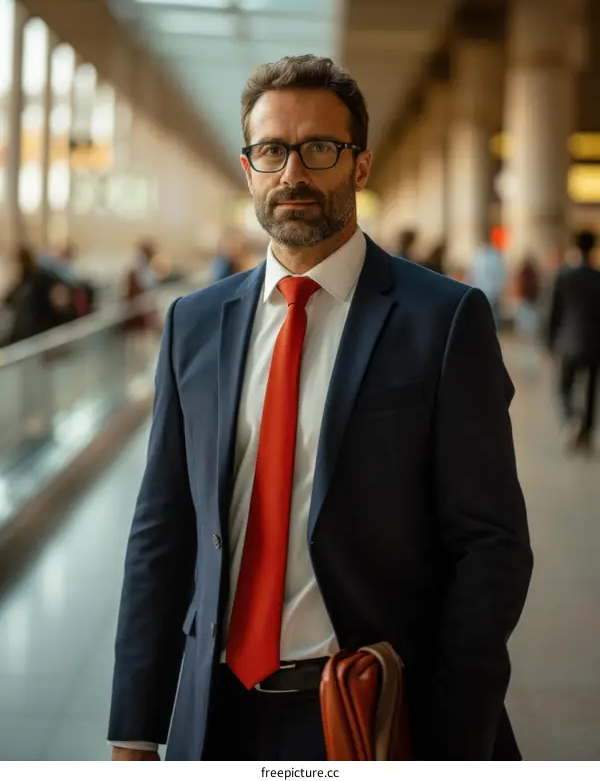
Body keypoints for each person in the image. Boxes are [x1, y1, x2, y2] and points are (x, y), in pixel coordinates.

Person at [108, 55, 532, 761]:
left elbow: (491, 546)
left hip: (369, 715)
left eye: (319, 149)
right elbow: (162, 531)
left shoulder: (444, 319)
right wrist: (134, 728)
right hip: (213, 717)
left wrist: (453, 734)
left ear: (359, 166)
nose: (293, 174)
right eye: (272, 150)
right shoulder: (195, 322)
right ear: (249, 169)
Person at [545, 230, 600, 454]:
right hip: (596, 342)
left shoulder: (564, 276)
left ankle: (571, 420)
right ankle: (585, 432)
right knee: (591, 391)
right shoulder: (598, 277)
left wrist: (548, 342)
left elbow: (553, 312)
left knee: (563, 387)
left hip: (568, 342)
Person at [468, 236, 507, 330]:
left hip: (485, 290)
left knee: (487, 315)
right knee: (493, 315)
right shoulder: (496, 257)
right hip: (493, 290)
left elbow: (475, 274)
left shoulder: (481, 258)